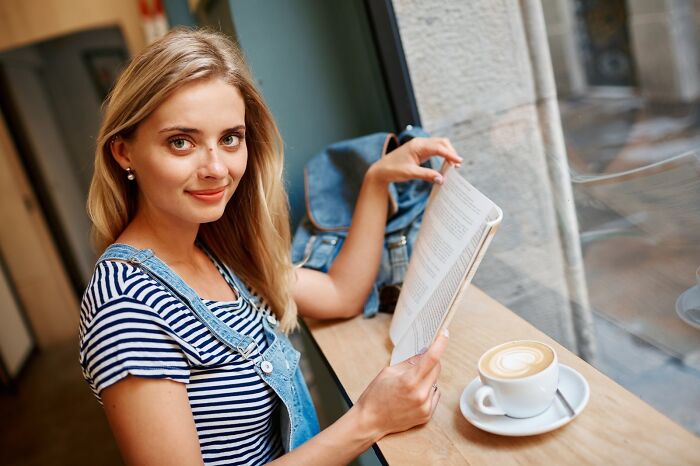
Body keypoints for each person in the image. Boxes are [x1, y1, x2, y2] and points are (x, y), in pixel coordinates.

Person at [79, 27, 461, 465]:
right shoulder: (124, 303)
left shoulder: (218, 254)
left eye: (229, 138)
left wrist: (376, 182)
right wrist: (369, 421)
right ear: (123, 152)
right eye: (180, 142)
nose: (216, 168)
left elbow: (341, 294)